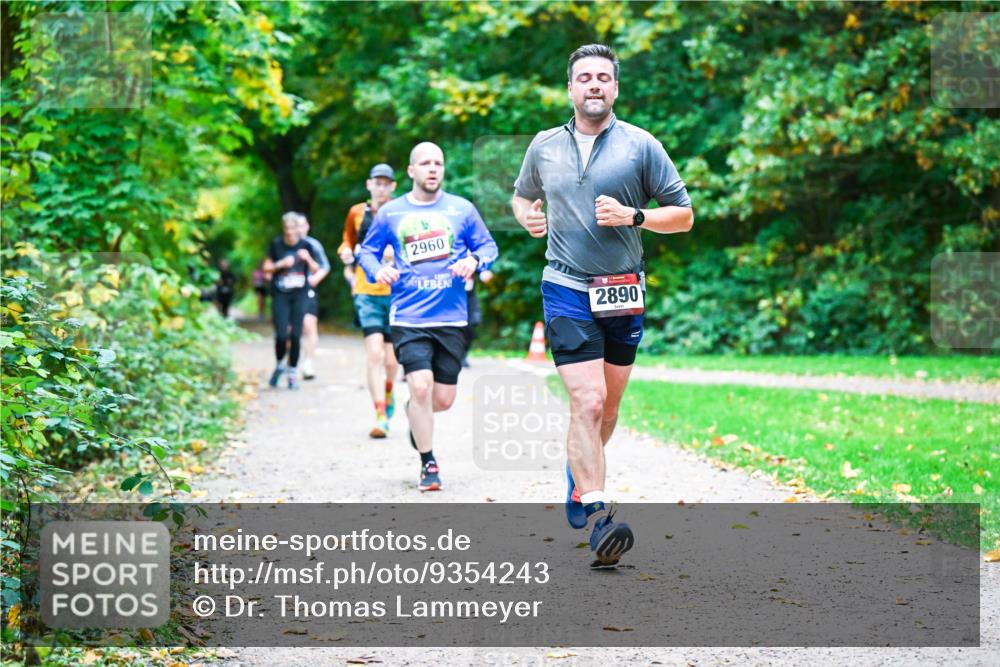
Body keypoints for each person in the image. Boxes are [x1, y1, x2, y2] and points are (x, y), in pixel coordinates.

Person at [511, 44, 694, 568]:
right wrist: (526, 216)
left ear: (615, 88)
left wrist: (635, 216)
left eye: (603, 78)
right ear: (570, 89)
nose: (594, 85)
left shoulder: (641, 146)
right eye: (584, 78)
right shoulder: (544, 146)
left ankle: (578, 476)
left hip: (623, 289)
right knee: (587, 402)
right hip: (565, 285)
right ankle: (599, 515)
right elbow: (522, 196)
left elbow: (683, 216)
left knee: (608, 409)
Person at [359, 143, 498, 491]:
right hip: (408, 316)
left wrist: (475, 261)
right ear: (411, 171)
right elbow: (367, 251)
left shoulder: (462, 209)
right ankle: (428, 463)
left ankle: (414, 414)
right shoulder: (391, 213)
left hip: (451, 317)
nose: (432, 168)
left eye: (438, 163)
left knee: (442, 400)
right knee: (420, 386)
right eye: (425, 163)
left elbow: (488, 247)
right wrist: (379, 271)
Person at [339, 164, 401, 438]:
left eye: (387, 183)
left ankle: (388, 392)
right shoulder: (356, 212)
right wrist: (344, 253)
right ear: (369, 184)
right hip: (366, 291)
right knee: (374, 354)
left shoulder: (402, 212)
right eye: (378, 182)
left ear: (394, 187)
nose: (382, 187)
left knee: (391, 361)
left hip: (397, 293)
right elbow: (346, 241)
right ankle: (379, 415)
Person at [263, 212, 320, 390]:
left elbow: (316, 268)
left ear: (298, 228)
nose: (289, 232)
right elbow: (266, 268)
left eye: (293, 228)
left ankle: (292, 371)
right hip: (280, 295)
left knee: (296, 334)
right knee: (281, 335)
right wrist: (281, 264)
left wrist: (307, 259)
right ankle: (280, 364)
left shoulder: (306, 245)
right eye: (286, 228)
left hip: (300, 295)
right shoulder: (276, 244)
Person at [297, 214, 331, 380]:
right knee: (291, 329)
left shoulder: (312, 244)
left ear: (307, 226)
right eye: (296, 225)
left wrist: (315, 279)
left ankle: (308, 364)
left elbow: (325, 266)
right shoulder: (284, 243)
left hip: (308, 289)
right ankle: (291, 362)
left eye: (302, 225)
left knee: (309, 325)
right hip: (289, 291)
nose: (299, 229)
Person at [461, 268, 494, 367]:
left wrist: (486, 273)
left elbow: (483, 269)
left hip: (470, 298)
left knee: (473, 323)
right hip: (455, 299)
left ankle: (464, 354)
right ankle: (457, 355)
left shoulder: (473, 260)